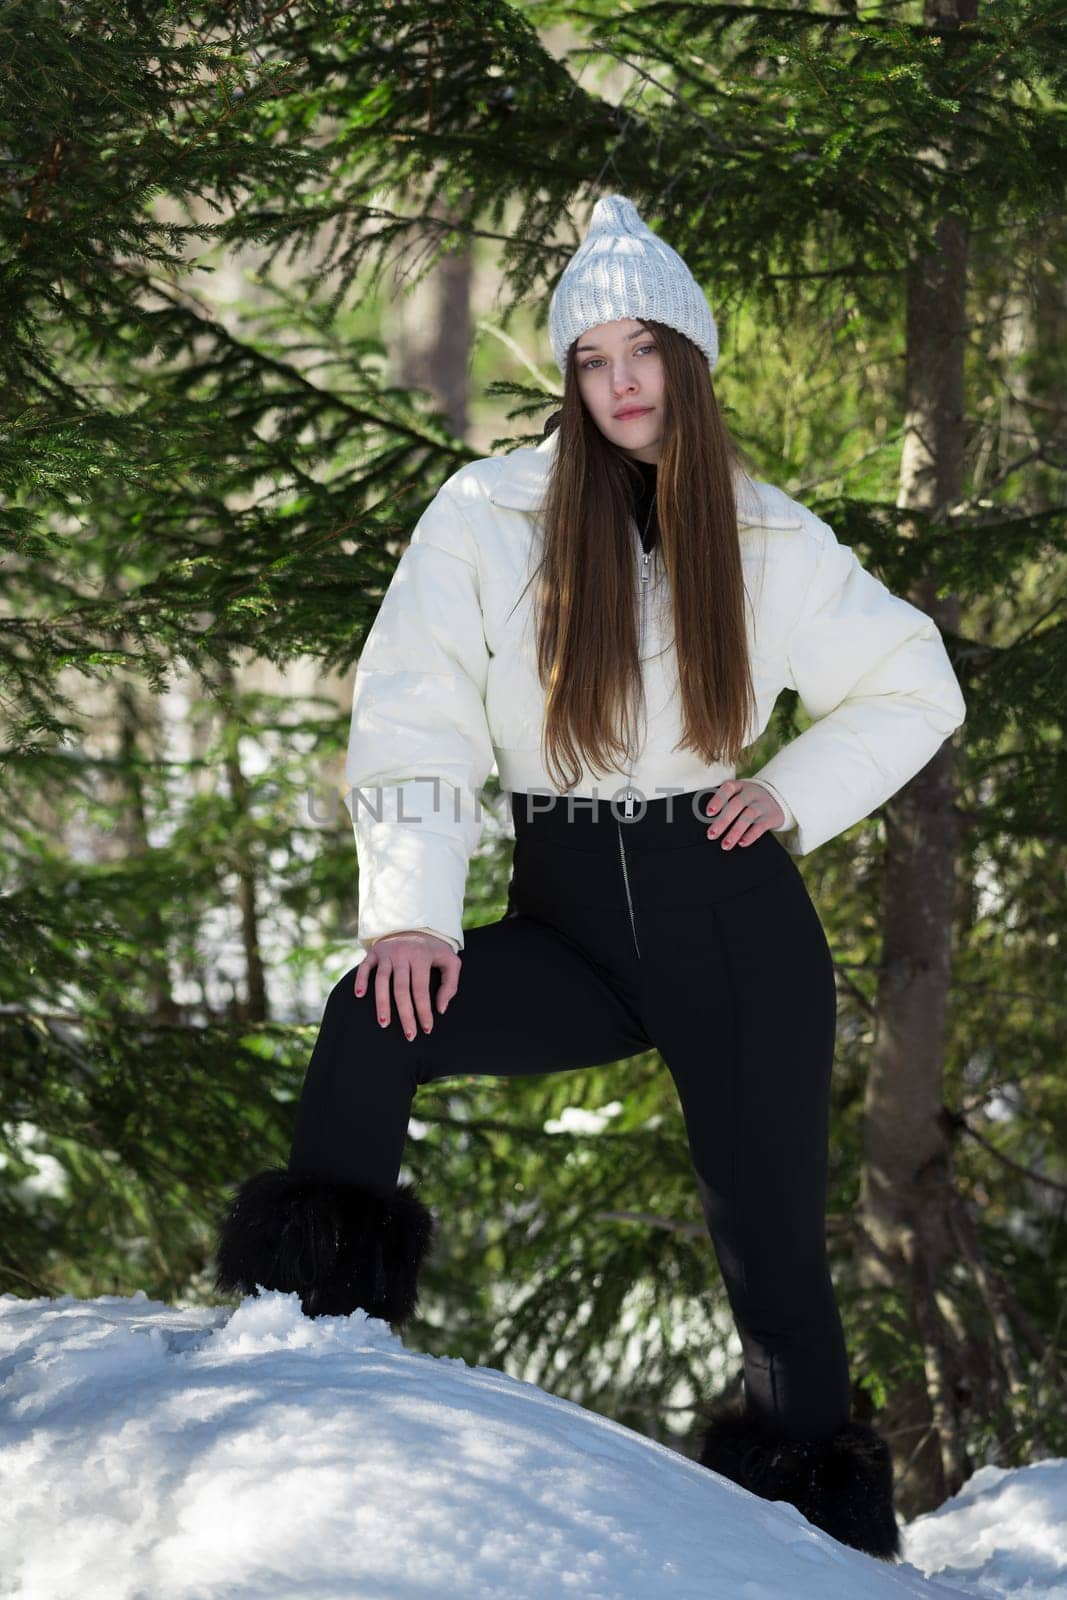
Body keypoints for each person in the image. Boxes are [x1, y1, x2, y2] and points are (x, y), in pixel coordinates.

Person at [213, 195, 966, 1561]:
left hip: (730, 920)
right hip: (565, 922)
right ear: (567, 376)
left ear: (688, 356)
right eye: (592, 358)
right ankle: (308, 1363)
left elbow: (916, 684)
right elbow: (414, 712)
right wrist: (413, 917)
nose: (623, 382)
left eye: (646, 349)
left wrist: (789, 792)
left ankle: (829, 1564)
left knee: (777, 1265)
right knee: (368, 1017)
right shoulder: (487, 516)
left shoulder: (765, 532)